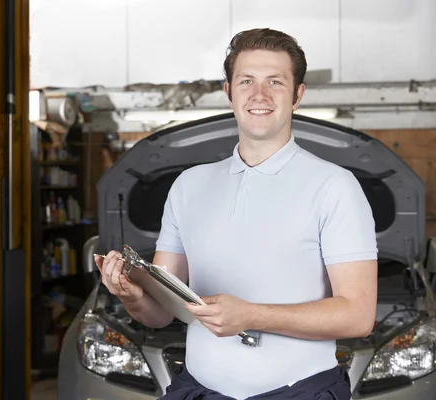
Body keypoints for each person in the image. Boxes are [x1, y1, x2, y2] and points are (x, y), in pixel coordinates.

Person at [94, 28, 378, 400]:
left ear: (298, 95)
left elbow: (357, 316)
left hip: (300, 393)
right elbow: (163, 314)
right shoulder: (188, 186)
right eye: (247, 81)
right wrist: (132, 295)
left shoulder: (334, 186)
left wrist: (253, 316)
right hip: (197, 390)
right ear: (229, 93)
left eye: (275, 81)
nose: (259, 95)